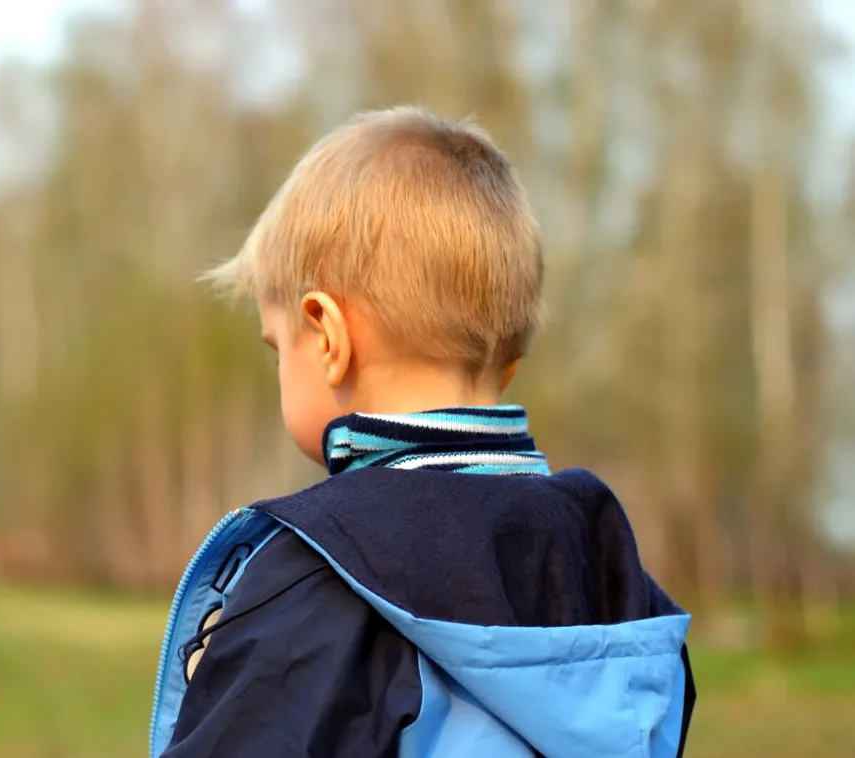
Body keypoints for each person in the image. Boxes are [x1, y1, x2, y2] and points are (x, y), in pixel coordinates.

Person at [147, 106, 695, 758]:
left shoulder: (320, 578)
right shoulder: (610, 575)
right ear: (509, 367)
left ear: (327, 337)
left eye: (276, 349)